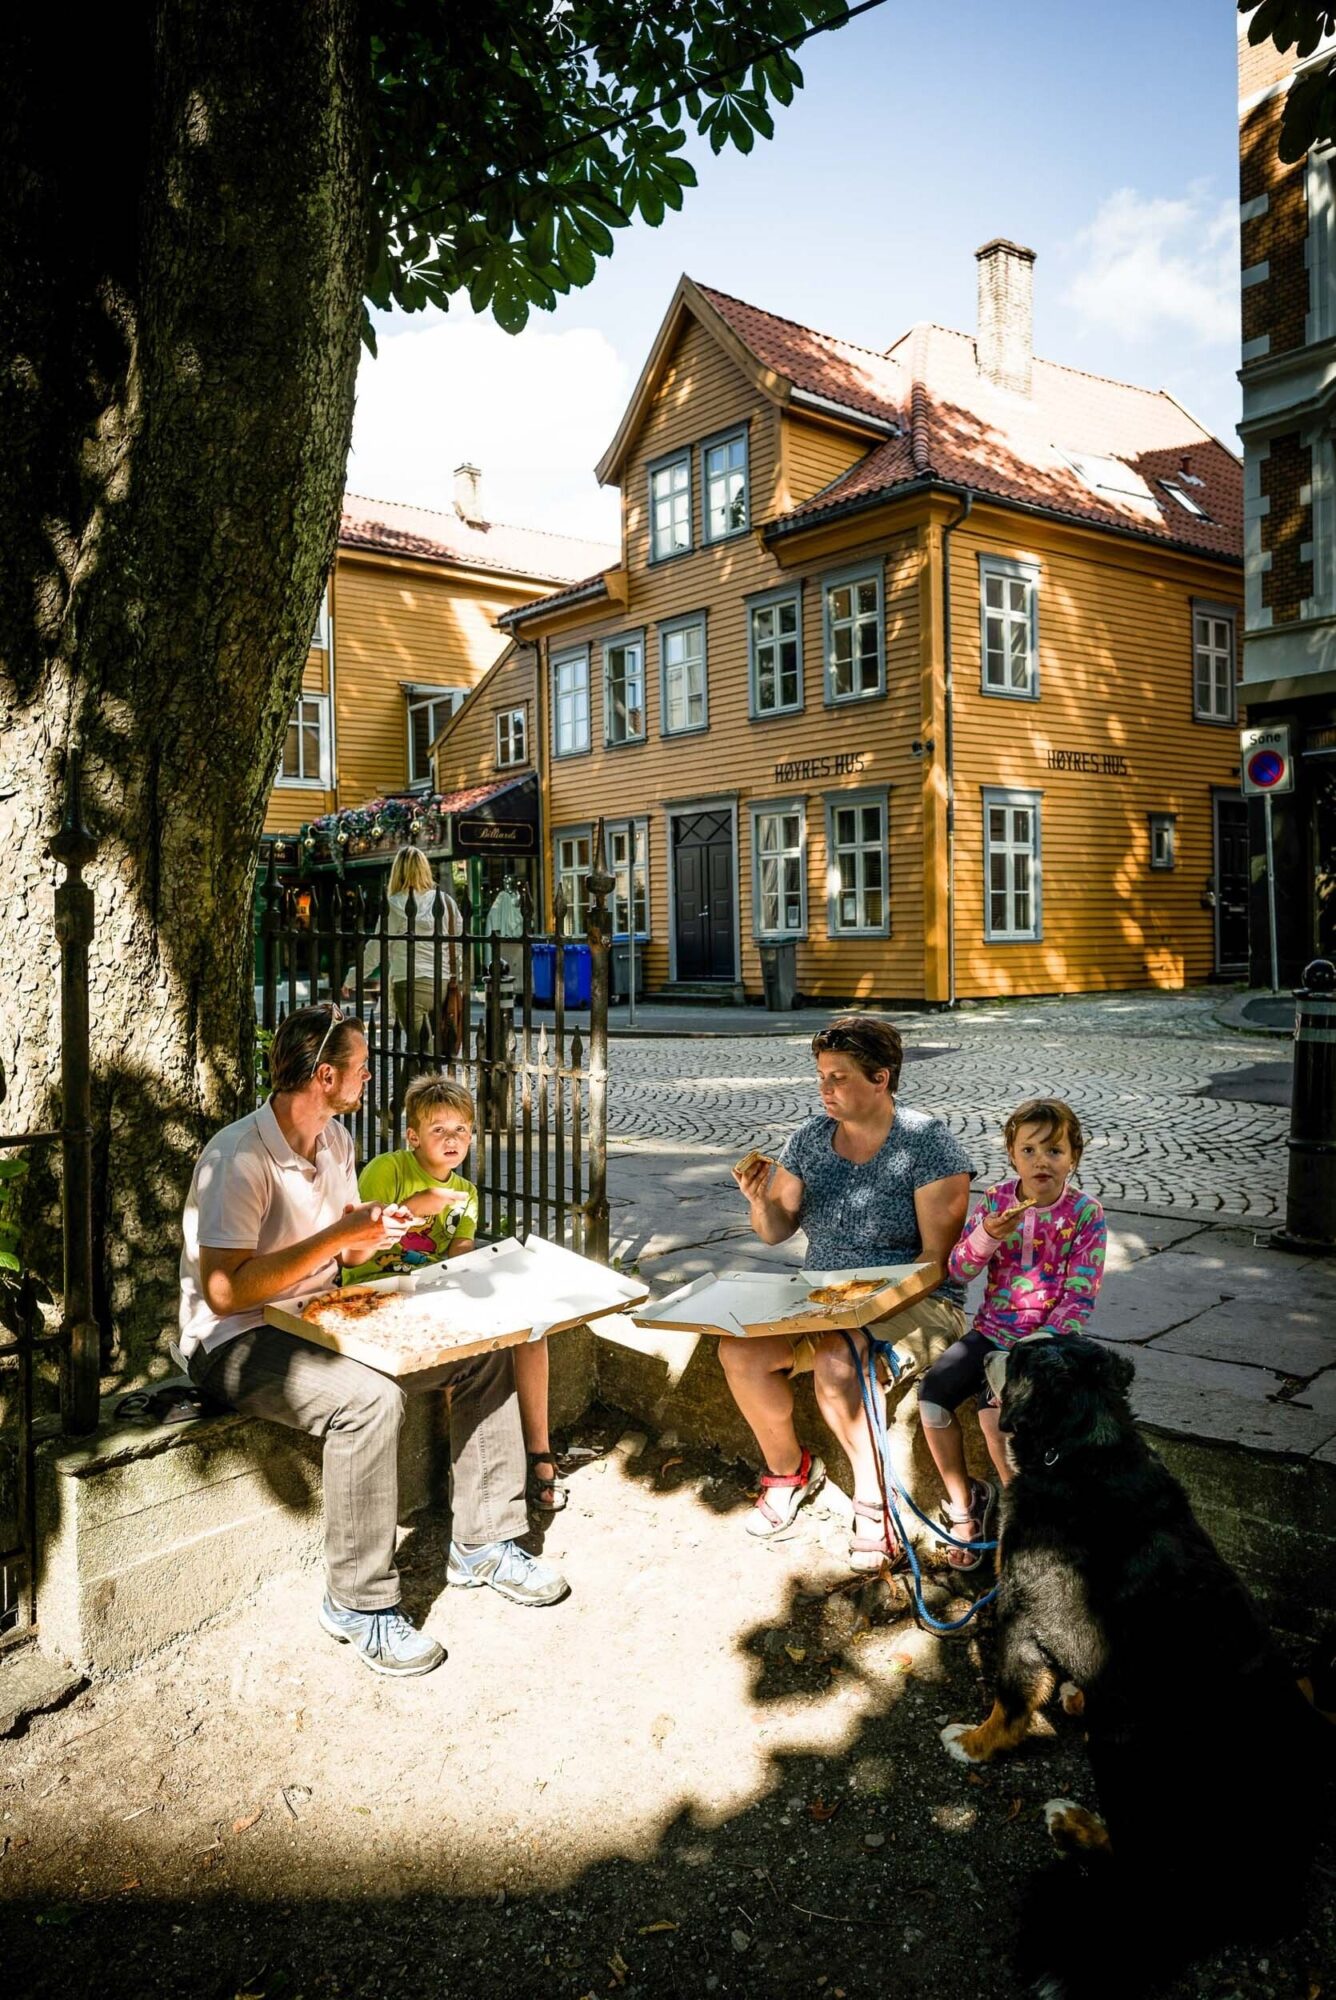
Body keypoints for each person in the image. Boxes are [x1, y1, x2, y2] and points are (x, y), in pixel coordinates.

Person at [178, 1003, 567, 1681]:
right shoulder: (239, 1155)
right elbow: (224, 1291)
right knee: (367, 1401)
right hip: (237, 1339)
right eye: (359, 1066)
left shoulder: (335, 1142)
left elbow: (342, 1251)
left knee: (484, 1350)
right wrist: (338, 1237)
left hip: (324, 1315)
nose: (368, 1077)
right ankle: (355, 1604)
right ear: (324, 1075)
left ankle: (484, 1542)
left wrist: (374, 1231)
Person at [726, 1016, 972, 1570]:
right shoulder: (812, 1138)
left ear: (881, 1078)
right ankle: (789, 1470)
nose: (825, 1089)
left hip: (919, 1305)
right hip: (826, 1300)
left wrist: (862, 1307)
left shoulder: (928, 1144)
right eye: (821, 1076)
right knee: (738, 1348)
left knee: (839, 1359)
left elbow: (938, 1264)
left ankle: (873, 1502)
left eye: (838, 1077)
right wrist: (759, 1200)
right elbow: (774, 1230)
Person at [349, 1074, 568, 1514]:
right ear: (414, 1137)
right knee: (461, 1353)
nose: (452, 1140)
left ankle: (538, 1451)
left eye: (461, 1130)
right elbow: (352, 1254)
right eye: (438, 1130)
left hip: (436, 1294)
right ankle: (467, 1470)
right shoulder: (387, 1170)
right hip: (373, 1295)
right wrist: (415, 1209)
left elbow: (460, 1255)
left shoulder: (466, 1194)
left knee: (532, 1330)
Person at [920, 1097, 1107, 1569]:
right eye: (1029, 1150)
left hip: (1043, 1343)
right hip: (990, 1332)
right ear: (1011, 1154)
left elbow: (1078, 1297)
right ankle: (964, 1503)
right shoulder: (998, 1202)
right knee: (932, 1396)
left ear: (1074, 1157)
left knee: (993, 1418)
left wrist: (1037, 1347)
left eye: (1054, 1151)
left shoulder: (1086, 1215)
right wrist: (988, 1235)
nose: (1041, 1161)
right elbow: (959, 1271)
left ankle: (1019, 1520)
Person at [350, 844, 463, 1048]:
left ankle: (429, 1081)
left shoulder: (394, 904)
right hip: (441, 983)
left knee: (420, 1051)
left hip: (409, 983)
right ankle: (416, 1081)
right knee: (421, 1051)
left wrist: (353, 977)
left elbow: (376, 949)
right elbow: (460, 945)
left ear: (397, 872)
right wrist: (457, 975)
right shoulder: (445, 901)